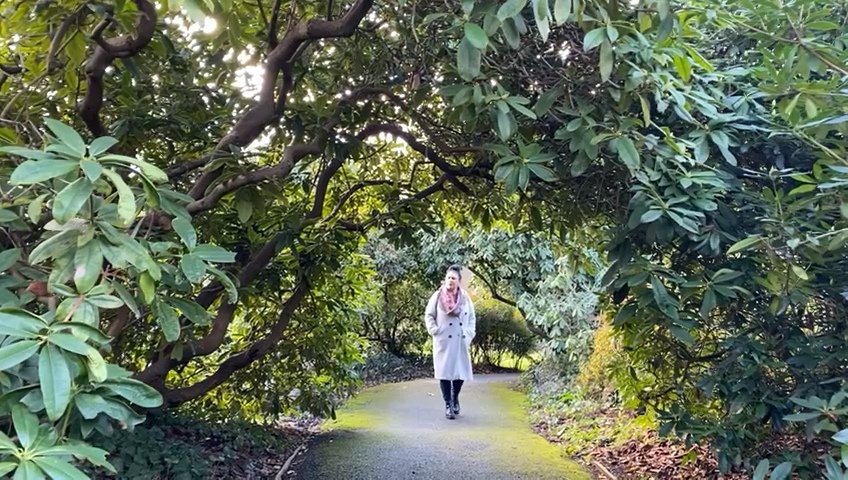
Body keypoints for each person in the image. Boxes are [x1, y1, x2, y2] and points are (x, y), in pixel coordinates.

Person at [424, 264, 476, 420]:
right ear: (445, 280)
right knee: (445, 374)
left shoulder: (465, 298)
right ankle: (448, 404)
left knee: (460, 374)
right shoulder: (437, 296)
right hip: (444, 341)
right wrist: (435, 331)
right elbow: (429, 315)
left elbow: (472, 317)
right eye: (448, 278)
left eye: (453, 278)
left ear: (459, 281)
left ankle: (455, 397)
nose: (450, 280)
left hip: (460, 340)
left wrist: (469, 333)